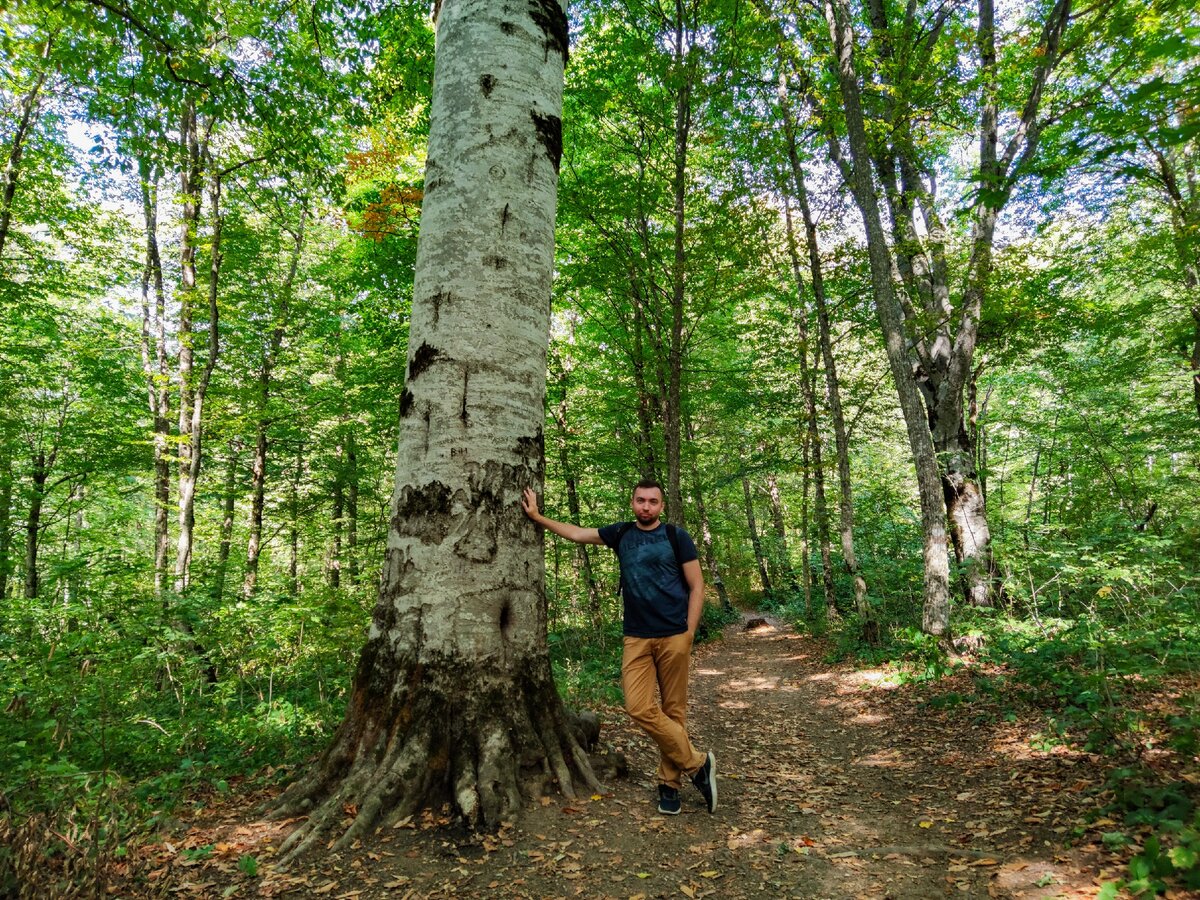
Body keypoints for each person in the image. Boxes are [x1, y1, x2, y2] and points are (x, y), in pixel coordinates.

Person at [521, 478, 718, 816]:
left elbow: (697, 585)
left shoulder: (676, 537)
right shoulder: (621, 534)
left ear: (661, 506)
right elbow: (579, 533)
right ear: (632, 502)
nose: (646, 507)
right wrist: (539, 518)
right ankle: (698, 764)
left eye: (652, 501)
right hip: (636, 637)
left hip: (674, 635)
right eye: (640, 500)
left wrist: (689, 632)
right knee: (638, 706)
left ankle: (669, 785)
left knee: (674, 711)